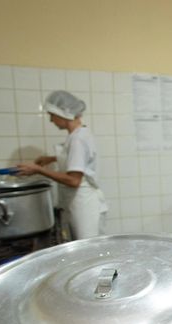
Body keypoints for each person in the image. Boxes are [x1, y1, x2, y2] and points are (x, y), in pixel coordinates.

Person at [17, 90, 108, 240]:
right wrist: (52, 158)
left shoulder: (77, 139)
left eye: (52, 115)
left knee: (87, 253)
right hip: (82, 204)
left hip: (84, 207)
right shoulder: (81, 134)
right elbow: (80, 160)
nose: (51, 120)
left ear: (63, 113)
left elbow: (73, 180)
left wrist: (38, 170)